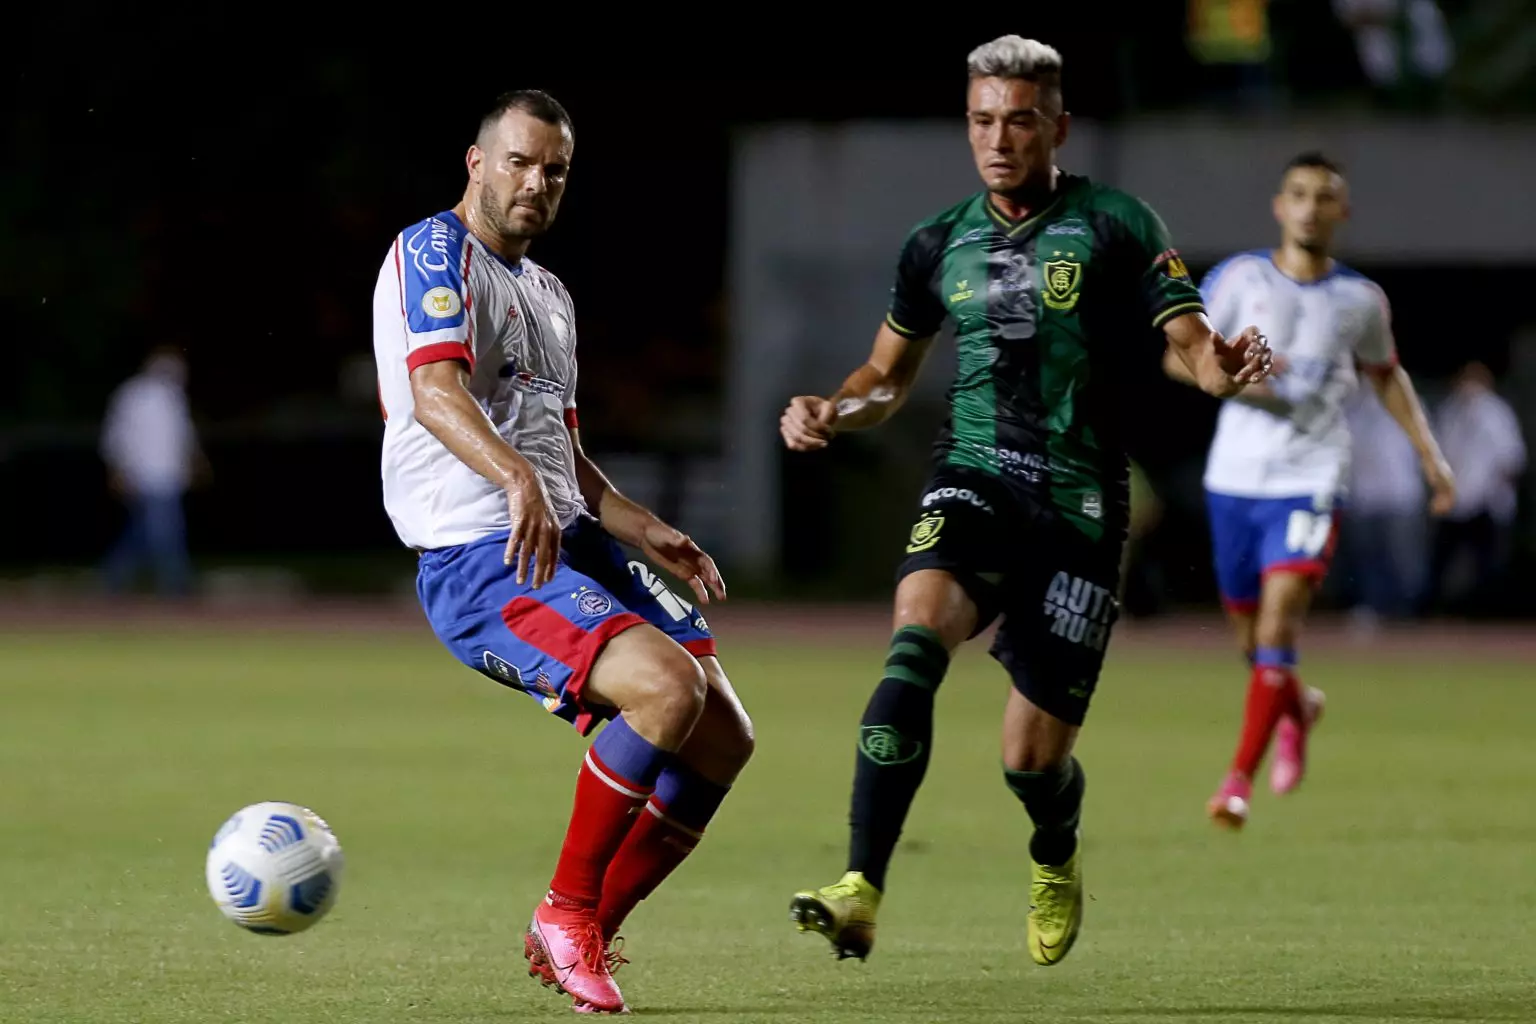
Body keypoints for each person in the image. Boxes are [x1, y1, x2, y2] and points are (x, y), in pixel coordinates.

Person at [778, 35, 1272, 969]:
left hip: (1082, 505)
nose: (998, 139)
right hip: (973, 472)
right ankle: (861, 889)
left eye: (1018, 120)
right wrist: (832, 410)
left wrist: (1223, 370)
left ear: (1058, 126)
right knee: (915, 637)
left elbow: (1193, 344)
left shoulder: (1117, 220)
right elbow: (886, 376)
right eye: (981, 120)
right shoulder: (935, 243)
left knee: (1029, 762)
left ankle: (1055, 851)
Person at [370, 89, 754, 1015]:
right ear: (476, 162)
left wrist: (642, 524)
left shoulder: (548, 295)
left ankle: (580, 932)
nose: (536, 182)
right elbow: (436, 393)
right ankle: (567, 910)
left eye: (555, 171)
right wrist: (513, 482)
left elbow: (561, 454)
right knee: (667, 689)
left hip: (566, 534)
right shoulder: (434, 252)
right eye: (520, 162)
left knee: (723, 739)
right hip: (479, 554)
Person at [1168, 152, 1454, 830]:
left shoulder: (1360, 301)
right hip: (1235, 478)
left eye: (1325, 197)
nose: (1310, 207)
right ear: (1278, 205)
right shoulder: (1238, 279)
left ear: (1341, 212)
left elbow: (1387, 376)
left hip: (1312, 476)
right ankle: (1298, 706)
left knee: (1278, 624)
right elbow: (1177, 355)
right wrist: (1235, 379)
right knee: (1250, 640)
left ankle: (1237, 781)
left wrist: (1431, 459)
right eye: (1298, 194)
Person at [100, 345, 207, 598]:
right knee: (164, 531)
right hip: (143, 475)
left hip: (170, 476)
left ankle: (113, 578)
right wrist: (118, 470)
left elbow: (183, 436)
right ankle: (176, 585)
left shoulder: (174, 397)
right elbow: (117, 436)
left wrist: (194, 463)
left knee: (145, 532)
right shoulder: (132, 395)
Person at [1428, 360, 1526, 615]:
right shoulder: (1450, 412)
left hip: (1487, 501)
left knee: (1489, 564)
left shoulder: (1497, 413)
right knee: (1442, 561)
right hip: (1456, 499)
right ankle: (1435, 612)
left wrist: (1498, 494)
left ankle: (1490, 615)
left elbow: (1511, 458)